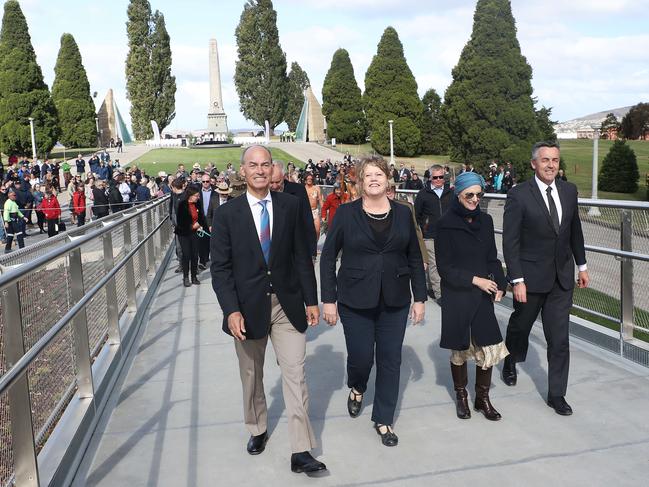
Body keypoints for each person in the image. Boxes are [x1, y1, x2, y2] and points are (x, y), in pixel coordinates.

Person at [211, 145, 326, 474]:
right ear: (242, 170)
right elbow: (220, 269)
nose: (260, 170)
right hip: (246, 309)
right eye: (253, 165)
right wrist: (231, 309)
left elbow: (302, 257)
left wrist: (311, 300)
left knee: (296, 375)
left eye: (265, 164)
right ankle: (257, 427)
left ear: (273, 168)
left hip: (287, 305)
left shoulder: (290, 205)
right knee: (252, 375)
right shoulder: (227, 214)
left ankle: (301, 450)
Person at [320, 156, 426, 447]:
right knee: (361, 357)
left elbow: (415, 257)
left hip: (395, 300)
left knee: (391, 360)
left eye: (379, 174)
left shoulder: (404, 214)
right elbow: (328, 256)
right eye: (368, 175)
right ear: (360, 182)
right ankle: (357, 386)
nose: (375, 179)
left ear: (388, 179)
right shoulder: (345, 214)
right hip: (355, 300)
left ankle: (383, 419)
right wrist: (328, 299)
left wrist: (420, 298)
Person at [502, 141, 589, 416]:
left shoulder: (569, 190)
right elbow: (510, 241)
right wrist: (516, 280)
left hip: (561, 279)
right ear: (533, 164)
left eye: (555, 160)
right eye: (545, 160)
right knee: (520, 326)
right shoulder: (519, 195)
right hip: (530, 278)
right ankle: (510, 359)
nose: (551, 165)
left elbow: (575, 231)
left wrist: (582, 266)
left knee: (559, 339)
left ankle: (556, 394)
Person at [435, 172, 508, 421]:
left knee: (487, 347)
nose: (475, 199)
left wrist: (500, 283)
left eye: (479, 195)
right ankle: (461, 396)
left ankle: (482, 398)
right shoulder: (445, 224)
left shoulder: (485, 221)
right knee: (460, 350)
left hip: (482, 295)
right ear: (458, 194)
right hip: (458, 295)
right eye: (470, 195)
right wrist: (476, 280)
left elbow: (491, 258)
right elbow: (444, 268)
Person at [414, 164, 453, 303]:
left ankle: (431, 287)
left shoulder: (451, 193)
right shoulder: (423, 194)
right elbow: (416, 215)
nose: (437, 180)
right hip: (429, 235)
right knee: (434, 264)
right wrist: (423, 228)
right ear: (430, 178)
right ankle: (439, 294)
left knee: (444, 262)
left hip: (447, 234)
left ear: (444, 177)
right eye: (435, 177)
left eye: (440, 177)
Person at [270, 162, 317, 257]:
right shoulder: (261, 192)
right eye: (271, 182)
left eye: (278, 182)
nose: (274, 186)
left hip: (293, 251)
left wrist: (312, 253)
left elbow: (307, 220)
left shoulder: (298, 190)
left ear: (284, 177)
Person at [175, 185, 207, 287]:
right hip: (184, 233)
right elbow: (180, 222)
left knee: (194, 255)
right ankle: (185, 277)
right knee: (186, 255)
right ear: (190, 195)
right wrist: (193, 226)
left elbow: (202, 216)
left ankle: (194, 277)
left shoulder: (197, 204)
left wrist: (200, 225)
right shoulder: (182, 204)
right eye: (196, 196)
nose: (198, 197)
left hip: (194, 233)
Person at [304, 173, 322, 241]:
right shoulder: (302, 188)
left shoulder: (316, 188)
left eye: (311, 179)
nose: (309, 180)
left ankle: (315, 244)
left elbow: (320, 200)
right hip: (305, 211)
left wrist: (323, 211)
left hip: (314, 211)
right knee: (306, 230)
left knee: (317, 230)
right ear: (305, 180)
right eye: (308, 179)